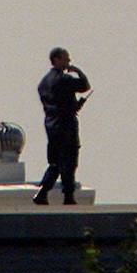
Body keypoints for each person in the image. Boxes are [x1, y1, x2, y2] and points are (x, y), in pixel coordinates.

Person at [33, 47, 91, 205]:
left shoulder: (43, 82)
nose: (69, 62)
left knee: (55, 162)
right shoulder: (63, 79)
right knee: (69, 161)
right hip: (66, 125)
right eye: (66, 59)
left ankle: (43, 192)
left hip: (51, 125)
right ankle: (68, 196)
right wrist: (78, 71)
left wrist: (71, 106)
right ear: (56, 60)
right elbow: (85, 86)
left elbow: (55, 103)